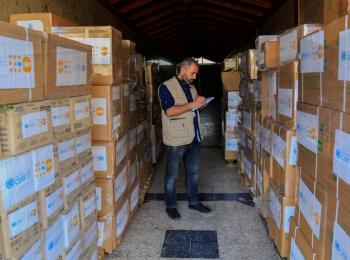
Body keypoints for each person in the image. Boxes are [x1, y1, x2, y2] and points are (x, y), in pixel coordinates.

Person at [158, 57, 212, 220]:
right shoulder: (165, 87)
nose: (194, 76)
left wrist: (200, 106)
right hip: (176, 139)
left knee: (193, 172)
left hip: (194, 137)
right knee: (172, 175)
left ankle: (194, 202)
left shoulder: (191, 87)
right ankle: (171, 205)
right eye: (193, 73)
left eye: (196, 74)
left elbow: (192, 111)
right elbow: (170, 112)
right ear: (183, 70)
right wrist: (193, 104)